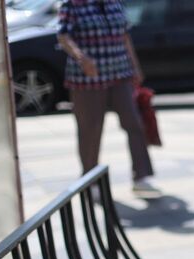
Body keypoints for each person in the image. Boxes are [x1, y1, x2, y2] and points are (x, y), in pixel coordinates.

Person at [57, 0, 160, 197]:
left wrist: (135, 67)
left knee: (134, 123)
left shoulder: (115, 3)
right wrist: (82, 58)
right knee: (90, 130)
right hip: (87, 78)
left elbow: (125, 36)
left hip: (120, 74)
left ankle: (141, 177)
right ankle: (90, 181)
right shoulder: (72, 4)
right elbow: (63, 36)